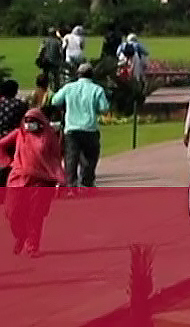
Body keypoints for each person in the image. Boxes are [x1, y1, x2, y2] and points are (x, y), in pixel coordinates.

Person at [1, 108, 65, 256]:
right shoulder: (19, 133)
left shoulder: (49, 136)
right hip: (18, 178)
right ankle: (21, 235)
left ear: (41, 122)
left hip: (41, 179)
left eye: (33, 121)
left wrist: (60, 178)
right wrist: (8, 162)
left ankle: (32, 246)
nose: (29, 125)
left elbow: (55, 158)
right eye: (27, 121)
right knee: (12, 212)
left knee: (35, 213)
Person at [49, 63, 110, 188]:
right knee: (90, 158)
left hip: (72, 128)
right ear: (92, 75)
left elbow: (55, 101)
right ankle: (87, 182)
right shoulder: (97, 89)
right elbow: (104, 108)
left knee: (71, 158)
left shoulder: (69, 87)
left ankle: (71, 185)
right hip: (90, 128)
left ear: (78, 74)